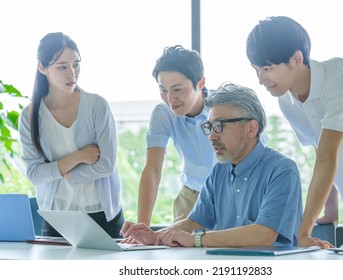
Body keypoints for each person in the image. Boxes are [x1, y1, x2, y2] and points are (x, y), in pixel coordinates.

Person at [246, 16, 343, 248]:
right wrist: (331, 209)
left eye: (267, 68)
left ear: (296, 58)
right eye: (256, 69)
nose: (261, 79)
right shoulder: (286, 100)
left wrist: (304, 232)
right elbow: (319, 148)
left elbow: (326, 157)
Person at [121, 83, 303, 247]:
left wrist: (197, 239)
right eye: (209, 127)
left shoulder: (282, 170)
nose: (211, 136)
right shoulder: (219, 171)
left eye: (219, 126)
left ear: (251, 128)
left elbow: (264, 234)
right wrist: (156, 236)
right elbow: (194, 222)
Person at [19, 32, 124, 238]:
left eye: (76, 64)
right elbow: (34, 174)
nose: (72, 73)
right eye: (62, 67)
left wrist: (68, 174)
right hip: (57, 217)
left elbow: (107, 165)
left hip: (103, 215)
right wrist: (78, 157)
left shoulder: (96, 105)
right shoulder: (30, 116)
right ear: (42, 68)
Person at [137, 45, 217, 226]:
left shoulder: (223, 107)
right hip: (190, 197)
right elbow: (152, 170)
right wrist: (142, 225)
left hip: (229, 195)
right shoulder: (163, 113)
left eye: (177, 89)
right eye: (163, 90)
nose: (170, 99)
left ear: (200, 83)